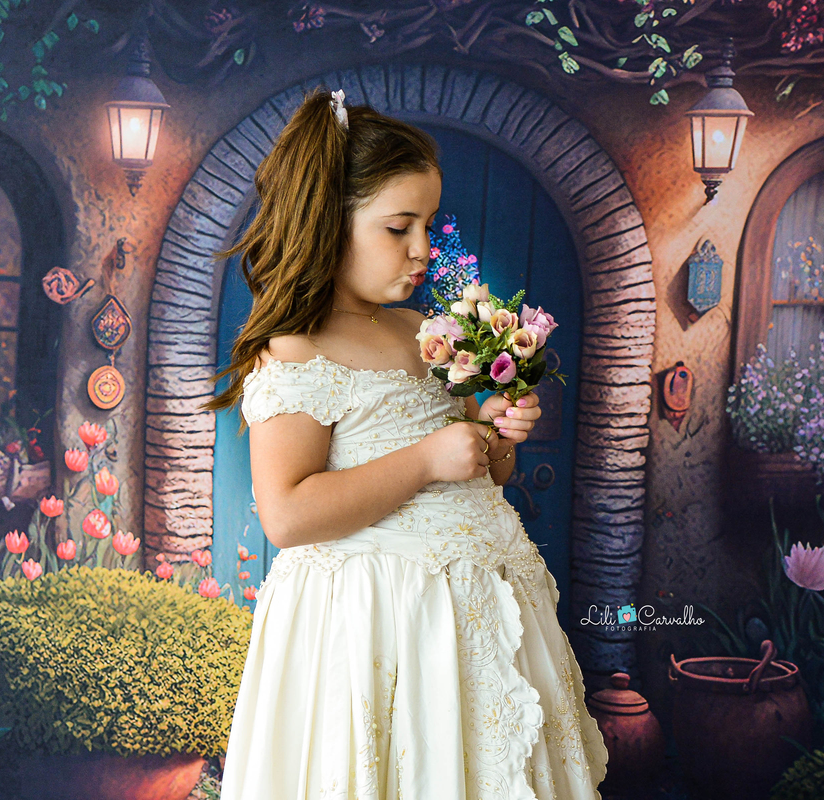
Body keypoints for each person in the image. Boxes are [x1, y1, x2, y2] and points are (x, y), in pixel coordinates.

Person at [206, 87, 609, 800]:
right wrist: (427, 459)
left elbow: (482, 470)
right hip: (379, 627)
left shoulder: (420, 334)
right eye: (399, 227)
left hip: (470, 618)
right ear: (331, 222)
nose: (423, 249)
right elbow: (289, 515)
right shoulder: (296, 354)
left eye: (428, 224)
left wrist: (497, 430)